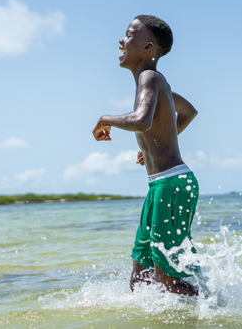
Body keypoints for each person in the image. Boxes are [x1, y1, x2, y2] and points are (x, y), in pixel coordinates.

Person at [92, 15, 199, 296]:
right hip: (159, 186)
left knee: (167, 279)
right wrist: (156, 143)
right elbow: (189, 112)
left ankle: (221, 312)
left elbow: (141, 120)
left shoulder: (149, 77)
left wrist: (106, 118)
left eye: (129, 34)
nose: (122, 39)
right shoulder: (153, 82)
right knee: (140, 277)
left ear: (148, 47)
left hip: (172, 184)